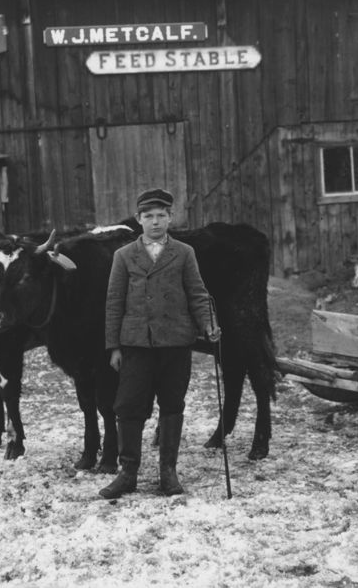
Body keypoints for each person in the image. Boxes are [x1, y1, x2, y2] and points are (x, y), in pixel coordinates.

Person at [99, 188, 220, 499]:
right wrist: (114, 346)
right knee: (128, 406)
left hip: (175, 343)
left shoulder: (184, 253)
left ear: (170, 218)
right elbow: (114, 302)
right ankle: (128, 473)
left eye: (161, 216)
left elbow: (197, 293)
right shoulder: (124, 256)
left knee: (172, 404)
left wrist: (208, 323)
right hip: (136, 344)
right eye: (149, 216)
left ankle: (168, 471)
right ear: (139, 220)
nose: (155, 222)